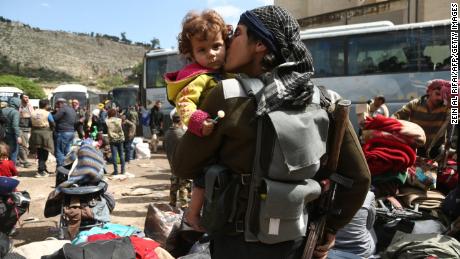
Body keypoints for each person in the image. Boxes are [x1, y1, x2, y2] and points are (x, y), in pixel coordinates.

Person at [172, 5, 371, 259]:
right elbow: (359, 177)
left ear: (260, 45)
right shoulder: (324, 101)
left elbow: (184, 165)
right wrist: (330, 228)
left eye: (239, 33)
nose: (230, 40)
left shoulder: (228, 95)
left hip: (236, 245)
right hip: (296, 242)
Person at [165, 9, 231, 137]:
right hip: (211, 135)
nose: (211, 53)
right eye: (202, 50)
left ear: (226, 44)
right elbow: (185, 102)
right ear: (192, 55)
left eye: (216, 46)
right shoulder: (199, 78)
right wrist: (199, 122)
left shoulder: (231, 71)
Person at [392, 79, 449, 158]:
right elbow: (396, 117)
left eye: (442, 96)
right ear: (429, 92)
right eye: (437, 94)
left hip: (436, 151)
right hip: (415, 148)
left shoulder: (446, 108)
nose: (440, 98)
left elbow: (455, 121)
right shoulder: (415, 104)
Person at [164, 111, 191, 209]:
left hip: (172, 162)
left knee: (174, 183)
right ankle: (184, 205)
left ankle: (172, 203)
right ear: (181, 121)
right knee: (183, 185)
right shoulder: (182, 133)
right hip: (182, 163)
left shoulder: (167, 133)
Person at [29, 99, 55, 177]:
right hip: (45, 133)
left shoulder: (33, 113)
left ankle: (43, 168)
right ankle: (41, 170)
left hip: (35, 133)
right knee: (45, 152)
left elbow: (30, 123)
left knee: (39, 151)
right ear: (46, 105)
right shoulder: (47, 113)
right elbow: (52, 123)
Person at [53, 98, 77, 169]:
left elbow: (55, 118)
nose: (57, 106)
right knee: (67, 151)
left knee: (59, 151)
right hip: (71, 132)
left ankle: (60, 168)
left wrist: (54, 113)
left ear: (60, 103)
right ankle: (68, 167)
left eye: (57, 104)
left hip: (63, 132)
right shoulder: (72, 109)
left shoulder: (63, 109)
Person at [1, 97, 21, 163]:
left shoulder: (2, 110)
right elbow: (15, 125)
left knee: (3, 152)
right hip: (11, 135)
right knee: (13, 152)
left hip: (2, 134)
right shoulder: (15, 112)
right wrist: (18, 136)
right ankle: (12, 171)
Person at [106, 108, 125, 175]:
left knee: (114, 155)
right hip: (120, 139)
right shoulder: (120, 120)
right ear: (115, 113)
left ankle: (116, 171)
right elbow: (122, 128)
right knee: (121, 155)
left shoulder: (107, 121)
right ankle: (123, 170)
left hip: (112, 140)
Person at [17, 94, 34, 168]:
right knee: (22, 145)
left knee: (26, 145)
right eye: (25, 97)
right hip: (21, 128)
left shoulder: (30, 106)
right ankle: (24, 161)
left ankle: (21, 160)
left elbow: (32, 115)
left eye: (27, 97)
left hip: (29, 128)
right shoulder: (19, 106)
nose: (27, 98)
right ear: (21, 98)